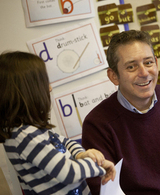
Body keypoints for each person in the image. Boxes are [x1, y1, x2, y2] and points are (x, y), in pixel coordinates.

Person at [82, 30, 160, 195]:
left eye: (148, 62)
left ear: (157, 64)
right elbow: (104, 189)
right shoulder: (97, 124)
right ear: (113, 76)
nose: (144, 73)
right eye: (131, 66)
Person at [0, 51, 116, 195]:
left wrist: (82, 154)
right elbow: (68, 172)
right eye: (44, 82)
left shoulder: (34, 130)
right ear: (28, 91)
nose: (50, 88)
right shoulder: (24, 136)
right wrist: (100, 166)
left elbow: (65, 142)